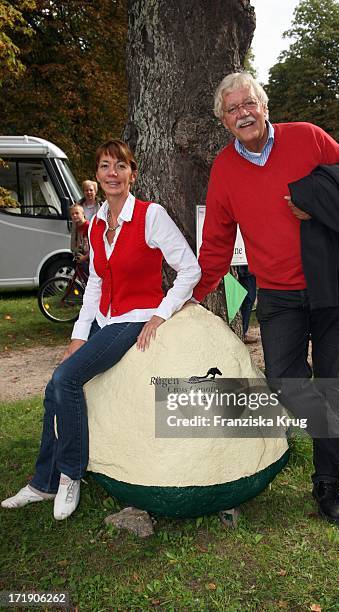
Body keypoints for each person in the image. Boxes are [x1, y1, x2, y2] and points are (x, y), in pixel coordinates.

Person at [192, 72, 339, 525]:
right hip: (276, 291)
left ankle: (327, 483)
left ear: (265, 105)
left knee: (335, 384)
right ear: (223, 120)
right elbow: (217, 239)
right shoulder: (224, 168)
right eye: (233, 109)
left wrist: (319, 203)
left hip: (331, 283)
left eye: (249, 103)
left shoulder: (308, 138)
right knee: (284, 383)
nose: (244, 113)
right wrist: (196, 294)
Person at [2, 139, 201, 520]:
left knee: (67, 380)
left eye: (121, 166)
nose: (113, 173)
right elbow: (94, 283)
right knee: (54, 387)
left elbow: (190, 269)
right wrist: (79, 336)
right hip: (105, 320)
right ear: (96, 174)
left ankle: (70, 474)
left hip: (135, 318)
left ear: (133, 174)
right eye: (106, 166)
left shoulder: (151, 215)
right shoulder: (94, 224)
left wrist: (160, 314)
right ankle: (42, 483)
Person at [236, 265, 257, 343]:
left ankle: (242, 331)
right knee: (249, 298)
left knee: (249, 298)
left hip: (246, 266)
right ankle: (242, 332)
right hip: (244, 267)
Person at [69, 203, 90, 275]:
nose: (74, 215)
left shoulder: (88, 226)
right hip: (81, 258)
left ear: (83, 214)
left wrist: (84, 258)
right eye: (72, 214)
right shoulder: (76, 227)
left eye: (77, 213)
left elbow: (96, 248)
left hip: (89, 261)